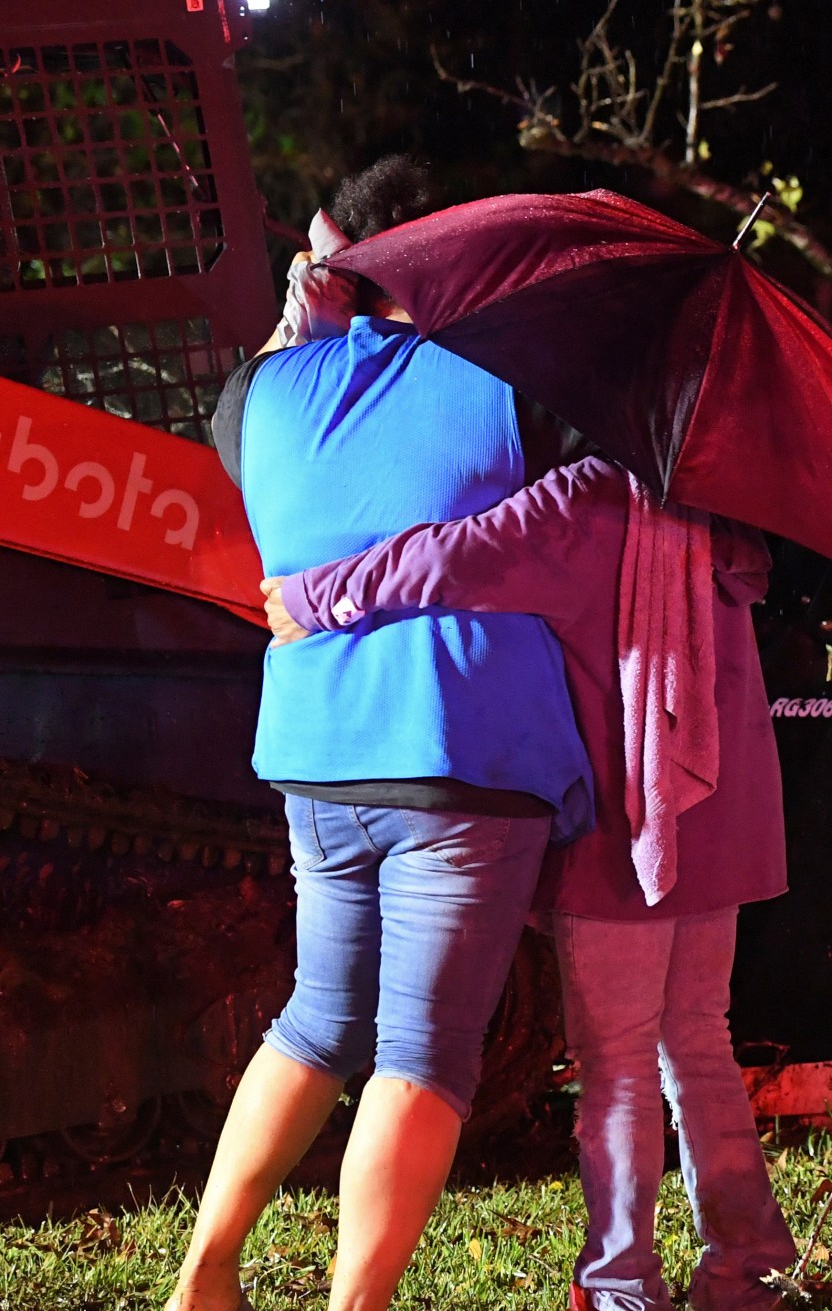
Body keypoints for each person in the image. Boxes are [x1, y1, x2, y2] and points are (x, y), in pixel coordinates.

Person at [170, 156, 596, 1311]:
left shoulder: (265, 398)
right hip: (460, 749)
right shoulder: (512, 380)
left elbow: (239, 417)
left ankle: (206, 1274)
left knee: (318, 1018)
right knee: (423, 1054)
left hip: (315, 748)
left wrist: (308, 299)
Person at [263, 456, 798, 1311]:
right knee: (700, 1042)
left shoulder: (585, 500)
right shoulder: (718, 506)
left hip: (632, 820)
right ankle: (748, 1267)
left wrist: (310, 596)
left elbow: (446, 558)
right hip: (718, 818)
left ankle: (624, 1288)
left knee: (617, 1065)